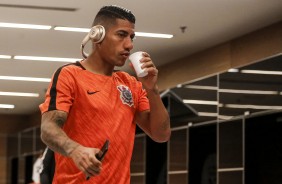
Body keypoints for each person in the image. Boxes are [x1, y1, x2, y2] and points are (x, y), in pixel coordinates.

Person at [39, 5, 171, 184]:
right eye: (121, 34)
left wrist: (152, 89)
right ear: (97, 35)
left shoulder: (130, 84)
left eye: (131, 37)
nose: (129, 45)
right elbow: (48, 129)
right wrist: (75, 150)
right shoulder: (70, 75)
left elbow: (161, 135)